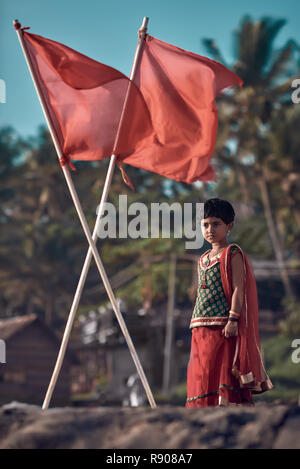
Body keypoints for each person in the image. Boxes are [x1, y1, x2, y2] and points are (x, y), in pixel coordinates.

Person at [186, 198, 273, 407]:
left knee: (221, 371)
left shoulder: (232, 253)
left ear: (229, 226)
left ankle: (226, 412)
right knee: (201, 372)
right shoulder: (203, 258)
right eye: (205, 224)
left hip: (223, 327)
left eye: (216, 224)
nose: (210, 229)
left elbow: (238, 289)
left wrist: (233, 319)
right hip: (199, 325)